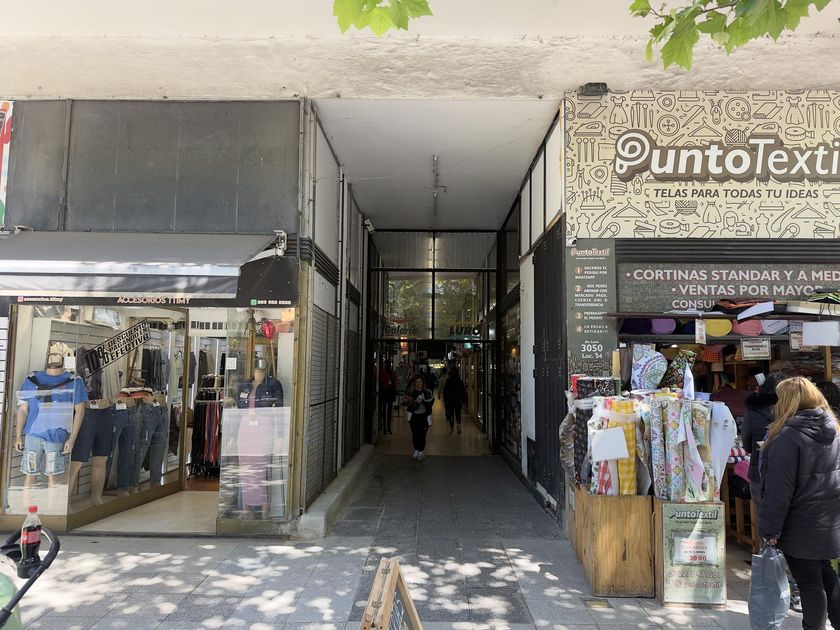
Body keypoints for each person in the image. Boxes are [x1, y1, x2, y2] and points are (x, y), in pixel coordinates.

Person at [758, 377, 840, 630]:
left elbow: (778, 491)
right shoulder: (833, 430)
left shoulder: (787, 437)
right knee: (826, 574)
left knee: (809, 581)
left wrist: (769, 531)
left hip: (801, 523)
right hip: (828, 520)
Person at [742, 372, 784, 506]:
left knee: (763, 515)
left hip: (759, 476)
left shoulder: (752, 413)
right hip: (788, 476)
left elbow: (747, 445)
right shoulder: (793, 413)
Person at [402, 374, 434, 461]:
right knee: (415, 433)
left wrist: (422, 401)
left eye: (420, 382)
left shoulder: (427, 392)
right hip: (413, 416)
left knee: (422, 434)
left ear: (423, 383)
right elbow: (404, 402)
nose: (418, 384)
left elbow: (430, 403)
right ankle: (416, 450)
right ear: (414, 383)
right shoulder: (410, 392)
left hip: (424, 416)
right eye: (416, 382)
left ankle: (421, 451)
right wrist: (409, 401)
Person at [443, 367, 468, 436]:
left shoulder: (448, 381)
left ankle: (451, 428)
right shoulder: (460, 381)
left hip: (450, 401)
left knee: (451, 414)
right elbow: (463, 391)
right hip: (458, 401)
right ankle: (458, 427)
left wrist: (446, 400)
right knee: (458, 414)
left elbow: (445, 391)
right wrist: (464, 400)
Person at [379, 361, 397, 435]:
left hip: (389, 392)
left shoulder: (391, 373)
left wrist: (395, 392)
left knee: (388, 411)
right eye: (388, 364)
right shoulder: (383, 372)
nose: (388, 365)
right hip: (385, 392)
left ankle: (388, 427)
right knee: (384, 411)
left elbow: (394, 383)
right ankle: (385, 428)